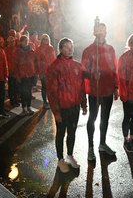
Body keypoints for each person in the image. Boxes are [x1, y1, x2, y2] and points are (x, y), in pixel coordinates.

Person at [47, 38, 87, 173]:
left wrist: (84, 104)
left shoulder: (77, 65)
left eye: (72, 46)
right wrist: (56, 112)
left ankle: (70, 155)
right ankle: (60, 160)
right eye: (67, 47)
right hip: (62, 108)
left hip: (74, 106)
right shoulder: (54, 67)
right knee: (60, 134)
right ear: (60, 49)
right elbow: (51, 93)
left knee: (72, 132)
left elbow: (82, 86)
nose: (70, 49)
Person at [81, 23, 118, 161]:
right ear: (94, 32)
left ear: (106, 31)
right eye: (99, 30)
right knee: (93, 118)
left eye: (103, 29)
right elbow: (82, 71)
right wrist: (91, 75)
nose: (101, 32)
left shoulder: (111, 49)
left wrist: (115, 88)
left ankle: (102, 144)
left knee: (105, 119)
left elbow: (115, 69)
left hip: (108, 90)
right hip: (95, 91)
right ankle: (90, 148)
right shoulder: (89, 50)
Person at [14, 35, 37, 116]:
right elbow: (16, 65)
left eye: (27, 40)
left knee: (29, 92)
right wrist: (17, 76)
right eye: (24, 41)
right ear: (21, 42)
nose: (26, 42)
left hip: (31, 74)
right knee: (24, 92)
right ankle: (24, 108)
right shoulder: (18, 52)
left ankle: (29, 106)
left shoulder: (32, 51)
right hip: (22, 75)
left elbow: (35, 63)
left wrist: (35, 74)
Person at [36, 34, 56, 109]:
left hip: (51, 71)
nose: (46, 40)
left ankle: (50, 101)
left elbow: (54, 59)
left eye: (47, 39)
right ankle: (45, 102)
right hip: (43, 71)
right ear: (42, 40)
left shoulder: (51, 48)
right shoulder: (39, 49)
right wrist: (39, 72)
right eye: (44, 39)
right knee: (44, 87)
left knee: (51, 87)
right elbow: (37, 61)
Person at [4, 35, 19, 107]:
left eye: (13, 41)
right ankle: (12, 100)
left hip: (16, 71)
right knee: (11, 87)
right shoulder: (6, 50)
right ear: (8, 42)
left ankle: (16, 99)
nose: (12, 43)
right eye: (10, 42)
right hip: (10, 71)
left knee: (16, 86)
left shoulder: (16, 49)